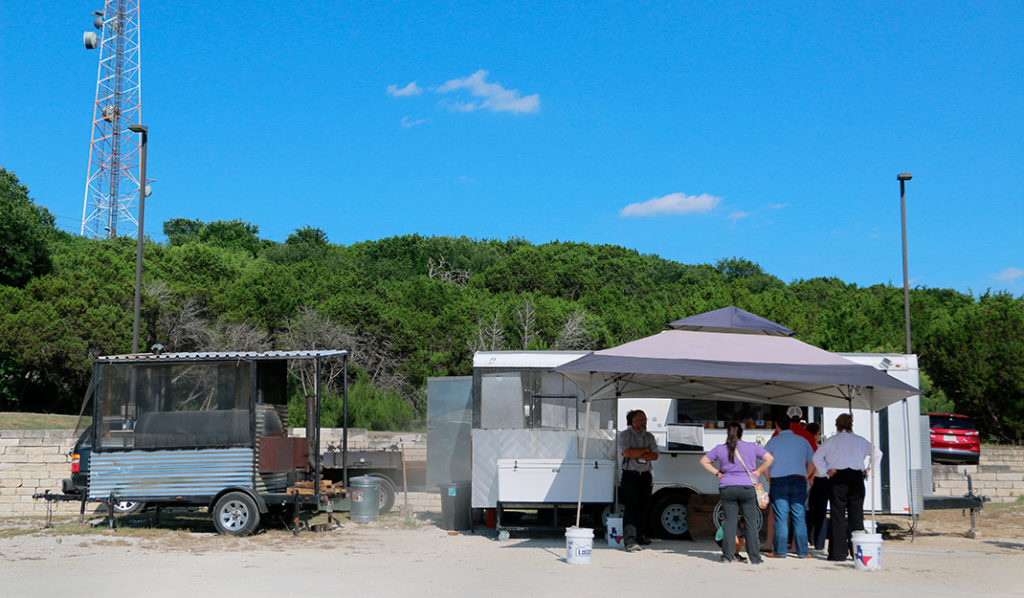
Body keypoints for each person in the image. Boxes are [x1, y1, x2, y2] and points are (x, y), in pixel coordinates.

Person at [812, 412, 883, 561]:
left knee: (837, 515)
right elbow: (877, 453)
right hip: (856, 477)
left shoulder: (831, 441)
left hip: (837, 477)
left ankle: (838, 553)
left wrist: (825, 471)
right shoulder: (859, 440)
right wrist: (869, 469)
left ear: (837, 425)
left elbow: (816, 457)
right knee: (856, 515)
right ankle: (857, 551)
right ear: (851, 424)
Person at [701, 421, 773, 564]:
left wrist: (717, 473)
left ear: (728, 434)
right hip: (747, 488)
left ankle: (727, 557)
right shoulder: (752, 447)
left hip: (727, 488)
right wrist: (758, 471)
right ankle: (755, 558)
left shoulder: (720, 449)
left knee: (729, 522)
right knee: (751, 523)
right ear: (742, 433)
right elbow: (769, 458)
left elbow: (704, 461)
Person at [764, 415, 815, 558]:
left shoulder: (773, 442)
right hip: (799, 479)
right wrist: (807, 476)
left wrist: (769, 479)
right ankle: (802, 552)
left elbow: (765, 463)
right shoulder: (802, 441)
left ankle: (780, 551)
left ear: (777, 426)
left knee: (781, 517)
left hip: (778, 481)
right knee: (799, 516)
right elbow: (812, 462)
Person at [619, 409, 659, 552]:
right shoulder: (625, 435)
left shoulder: (649, 437)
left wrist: (638, 452)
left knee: (645, 506)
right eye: (641, 419)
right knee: (631, 506)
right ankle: (629, 541)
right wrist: (644, 451)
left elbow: (655, 456)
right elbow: (627, 453)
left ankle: (640, 536)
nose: (644, 422)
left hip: (645, 475)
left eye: (645, 419)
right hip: (630, 474)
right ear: (633, 421)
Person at [804, 422, 830, 550]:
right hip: (820, 480)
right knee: (821, 512)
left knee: (808, 511)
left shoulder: (804, 447)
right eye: (819, 433)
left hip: (810, 480)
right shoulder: (819, 448)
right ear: (814, 435)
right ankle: (819, 542)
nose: (820, 435)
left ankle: (809, 538)